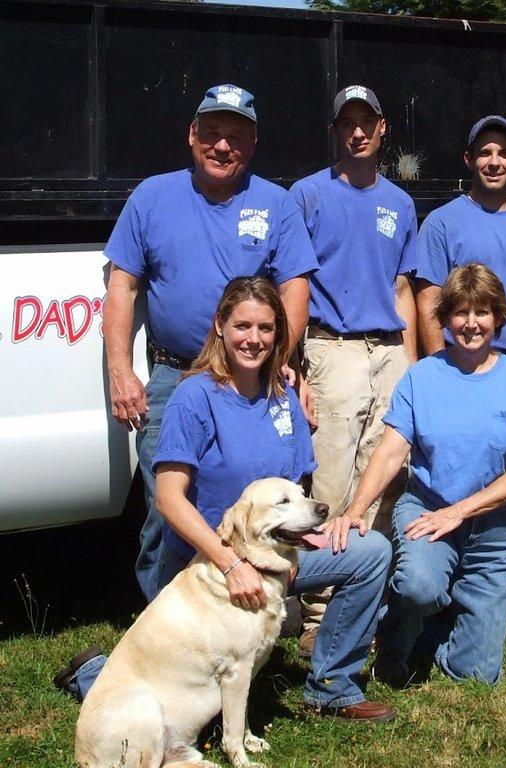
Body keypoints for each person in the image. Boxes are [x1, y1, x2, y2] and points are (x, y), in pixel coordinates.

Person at [56, 277, 394, 722]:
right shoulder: (193, 397)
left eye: (266, 328)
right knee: (180, 699)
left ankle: (332, 688)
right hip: (206, 564)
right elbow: (168, 499)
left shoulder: (283, 396)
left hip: (273, 556)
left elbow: (293, 488)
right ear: (220, 326)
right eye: (242, 326)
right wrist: (231, 564)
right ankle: (95, 675)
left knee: (371, 552)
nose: (254, 339)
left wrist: (302, 540)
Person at [103, 83, 317, 601]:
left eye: (236, 136)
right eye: (213, 133)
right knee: (166, 510)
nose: (223, 146)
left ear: (253, 144)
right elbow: (121, 287)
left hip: (250, 383)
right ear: (191, 135)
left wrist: (280, 362)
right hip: (174, 377)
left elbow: (295, 289)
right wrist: (120, 371)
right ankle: (162, 623)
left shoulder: (277, 203)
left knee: (247, 505)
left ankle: (247, 614)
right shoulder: (151, 197)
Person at [327, 264, 506, 685]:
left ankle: (436, 626)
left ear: (498, 317)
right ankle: (396, 637)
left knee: (477, 674)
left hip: (497, 527)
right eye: (461, 312)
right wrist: (355, 509)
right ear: (446, 318)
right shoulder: (421, 377)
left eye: (482, 312)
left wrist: (460, 512)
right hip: (429, 511)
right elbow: (390, 452)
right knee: (418, 585)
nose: (471, 323)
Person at [289, 85, 418, 656]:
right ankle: (319, 610)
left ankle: (368, 602)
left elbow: (402, 286)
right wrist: (293, 362)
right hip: (332, 348)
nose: (358, 131)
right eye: (348, 122)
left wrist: (412, 365)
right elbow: (291, 282)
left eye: (368, 121)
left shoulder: (401, 204)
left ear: (383, 127)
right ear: (336, 130)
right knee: (332, 480)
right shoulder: (307, 195)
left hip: (389, 350)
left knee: (385, 477)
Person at [414, 114, 506, 371]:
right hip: (464, 365)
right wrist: (439, 371)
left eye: (504, 153)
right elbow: (429, 301)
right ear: (469, 159)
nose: (495, 163)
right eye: (485, 153)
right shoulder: (441, 223)